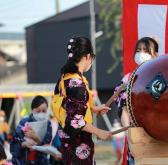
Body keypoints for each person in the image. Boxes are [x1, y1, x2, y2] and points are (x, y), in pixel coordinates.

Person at [54, 36, 112, 164]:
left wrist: (93, 108)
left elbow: (67, 107)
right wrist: (98, 132)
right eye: (92, 57)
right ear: (87, 56)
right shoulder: (77, 85)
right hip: (78, 146)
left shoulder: (64, 78)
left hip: (66, 145)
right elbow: (74, 120)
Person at [114, 37, 159, 165]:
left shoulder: (161, 76)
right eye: (138, 50)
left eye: (146, 50)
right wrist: (129, 132)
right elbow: (123, 108)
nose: (141, 53)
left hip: (159, 134)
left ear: (155, 55)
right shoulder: (127, 79)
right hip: (136, 134)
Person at [10, 95, 52, 165]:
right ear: (32, 110)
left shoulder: (48, 124)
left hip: (40, 161)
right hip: (22, 161)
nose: (41, 113)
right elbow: (13, 144)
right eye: (38, 111)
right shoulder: (24, 122)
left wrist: (36, 138)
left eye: (44, 111)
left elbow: (47, 146)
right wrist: (24, 144)